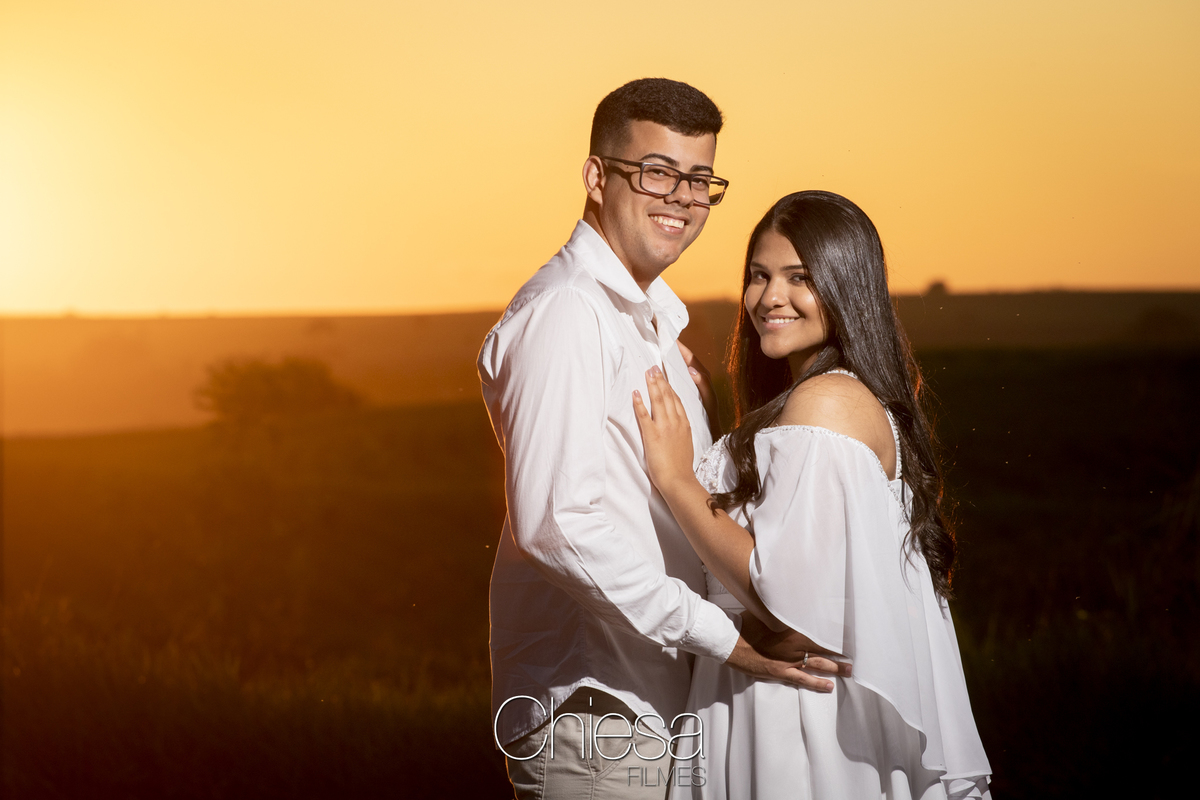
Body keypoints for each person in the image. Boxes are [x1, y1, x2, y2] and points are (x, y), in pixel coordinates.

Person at [478, 82, 844, 799]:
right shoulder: (568, 314)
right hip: (594, 715)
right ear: (596, 176)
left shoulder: (648, 328)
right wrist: (725, 637)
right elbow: (556, 523)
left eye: (699, 178)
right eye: (656, 172)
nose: (681, 196)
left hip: (651, 708)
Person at [633, 191, 993, 799]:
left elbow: (784, 603)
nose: (770, 297)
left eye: (800, 278)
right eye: (759, 275)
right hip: (793, 704)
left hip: (794, 720)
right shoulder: (844, 397)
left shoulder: (824, 404)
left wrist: (677, 478)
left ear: (847, 286)